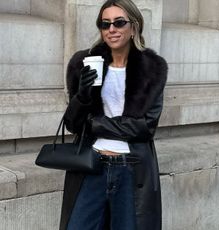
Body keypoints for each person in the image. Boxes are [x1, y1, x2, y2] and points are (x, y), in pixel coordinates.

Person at [59, 0, 168, 229]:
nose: (111, 29)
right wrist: (83, 96)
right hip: (91, 165)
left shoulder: (152, 69)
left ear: (134, 26)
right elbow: (72, 123)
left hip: (131, 168)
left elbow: (144, 128)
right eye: (105, 23)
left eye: (119, 22)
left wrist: (95, 124)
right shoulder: (84, 63)